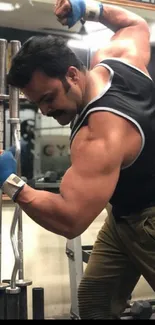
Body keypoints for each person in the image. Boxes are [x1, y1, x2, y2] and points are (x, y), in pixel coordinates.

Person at [2, 0, 155, 319]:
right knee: (95, 301)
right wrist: (90, 9)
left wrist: (11, 183)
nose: (44, 111)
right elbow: (134, 25)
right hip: (124, 214)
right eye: (36, 103)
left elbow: (70, 219)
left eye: (48, 99)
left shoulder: (99, 134)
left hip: (149, 221)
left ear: (72, 74)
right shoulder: (114, 58)